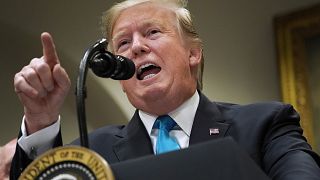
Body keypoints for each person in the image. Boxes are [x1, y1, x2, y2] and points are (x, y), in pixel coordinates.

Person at [10, 0, 320, 179]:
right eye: (123, 43)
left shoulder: (266, 124)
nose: (137, 48)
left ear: (193, 54)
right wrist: (41, 120)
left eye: (153, 32)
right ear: (117, 71)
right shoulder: (92, 152)